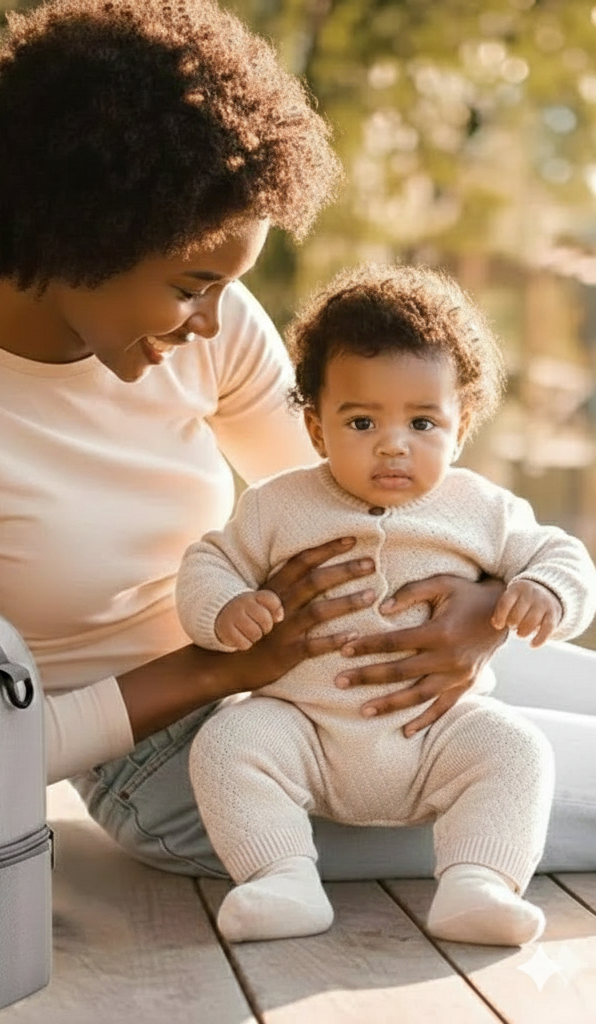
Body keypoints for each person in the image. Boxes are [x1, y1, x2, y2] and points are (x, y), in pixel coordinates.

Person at [0, 0, 596, 886]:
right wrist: (218, 668)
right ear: (84, 233)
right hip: (173, 763)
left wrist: (483, 607)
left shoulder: (207, 322)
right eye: (190, 287)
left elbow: (360, 495)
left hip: (316, 670)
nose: (211, 321)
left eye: (224, 288)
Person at [177, 264, 596, 946]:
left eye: (423, 422)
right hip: (305, 730)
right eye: (362, 421)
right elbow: (209, 562)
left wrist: (544, 591)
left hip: (438, 734)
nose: (393, 443)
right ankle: (281, 879)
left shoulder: (481, 507)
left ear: (460, 427)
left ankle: (477, 885)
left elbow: (563, 556)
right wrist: (225, 609)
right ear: (317, 429)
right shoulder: (278, 505)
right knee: (227, 742)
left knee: (516, 749)